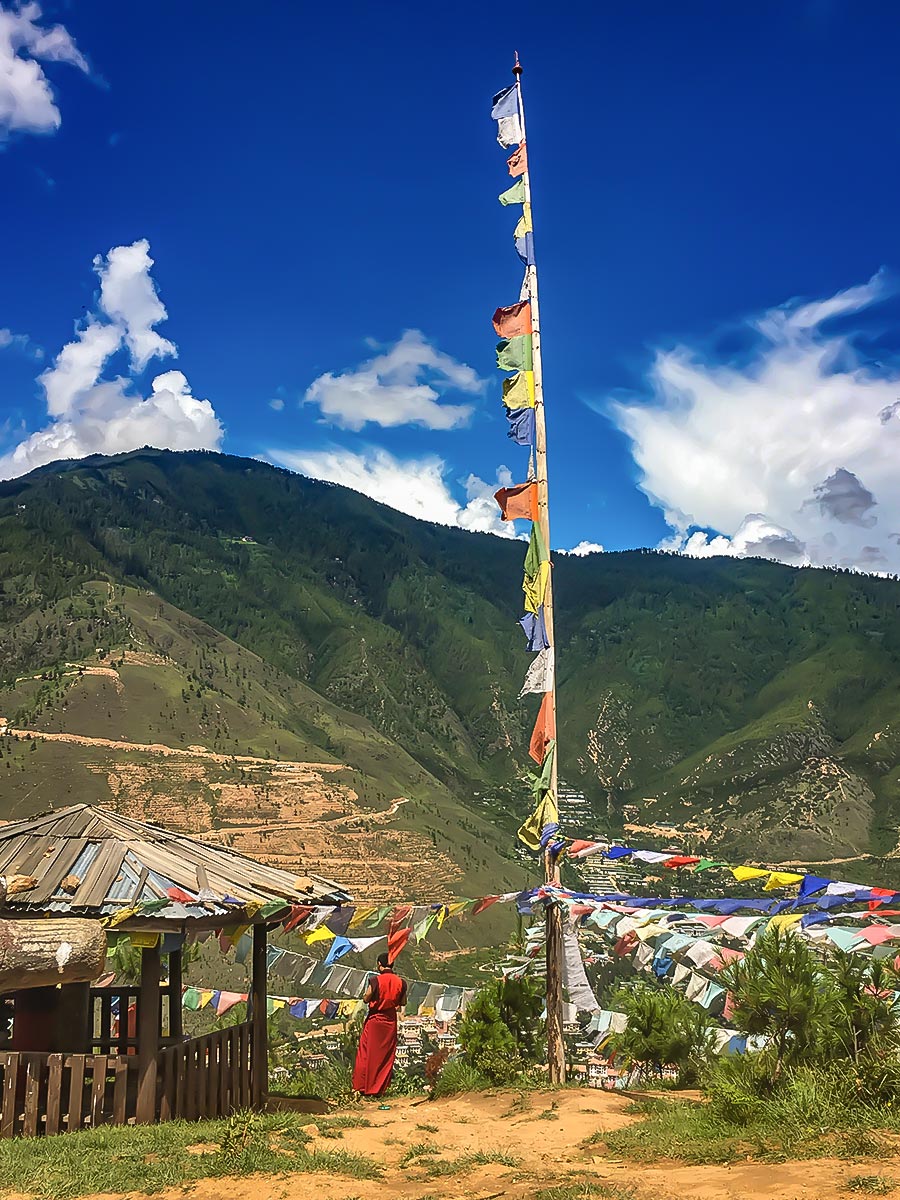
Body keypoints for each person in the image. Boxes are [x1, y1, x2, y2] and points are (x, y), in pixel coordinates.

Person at [352, 952, 407, 1102]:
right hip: (390, 1021)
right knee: (385, 1056)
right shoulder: (401, 982)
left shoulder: (375, 980)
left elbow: (366, 998)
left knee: (366, 1053)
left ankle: (362, 1087)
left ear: (379, 964)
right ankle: (379, 1088)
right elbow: (402, 1002)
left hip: (375, 1019)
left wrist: (369, 995)